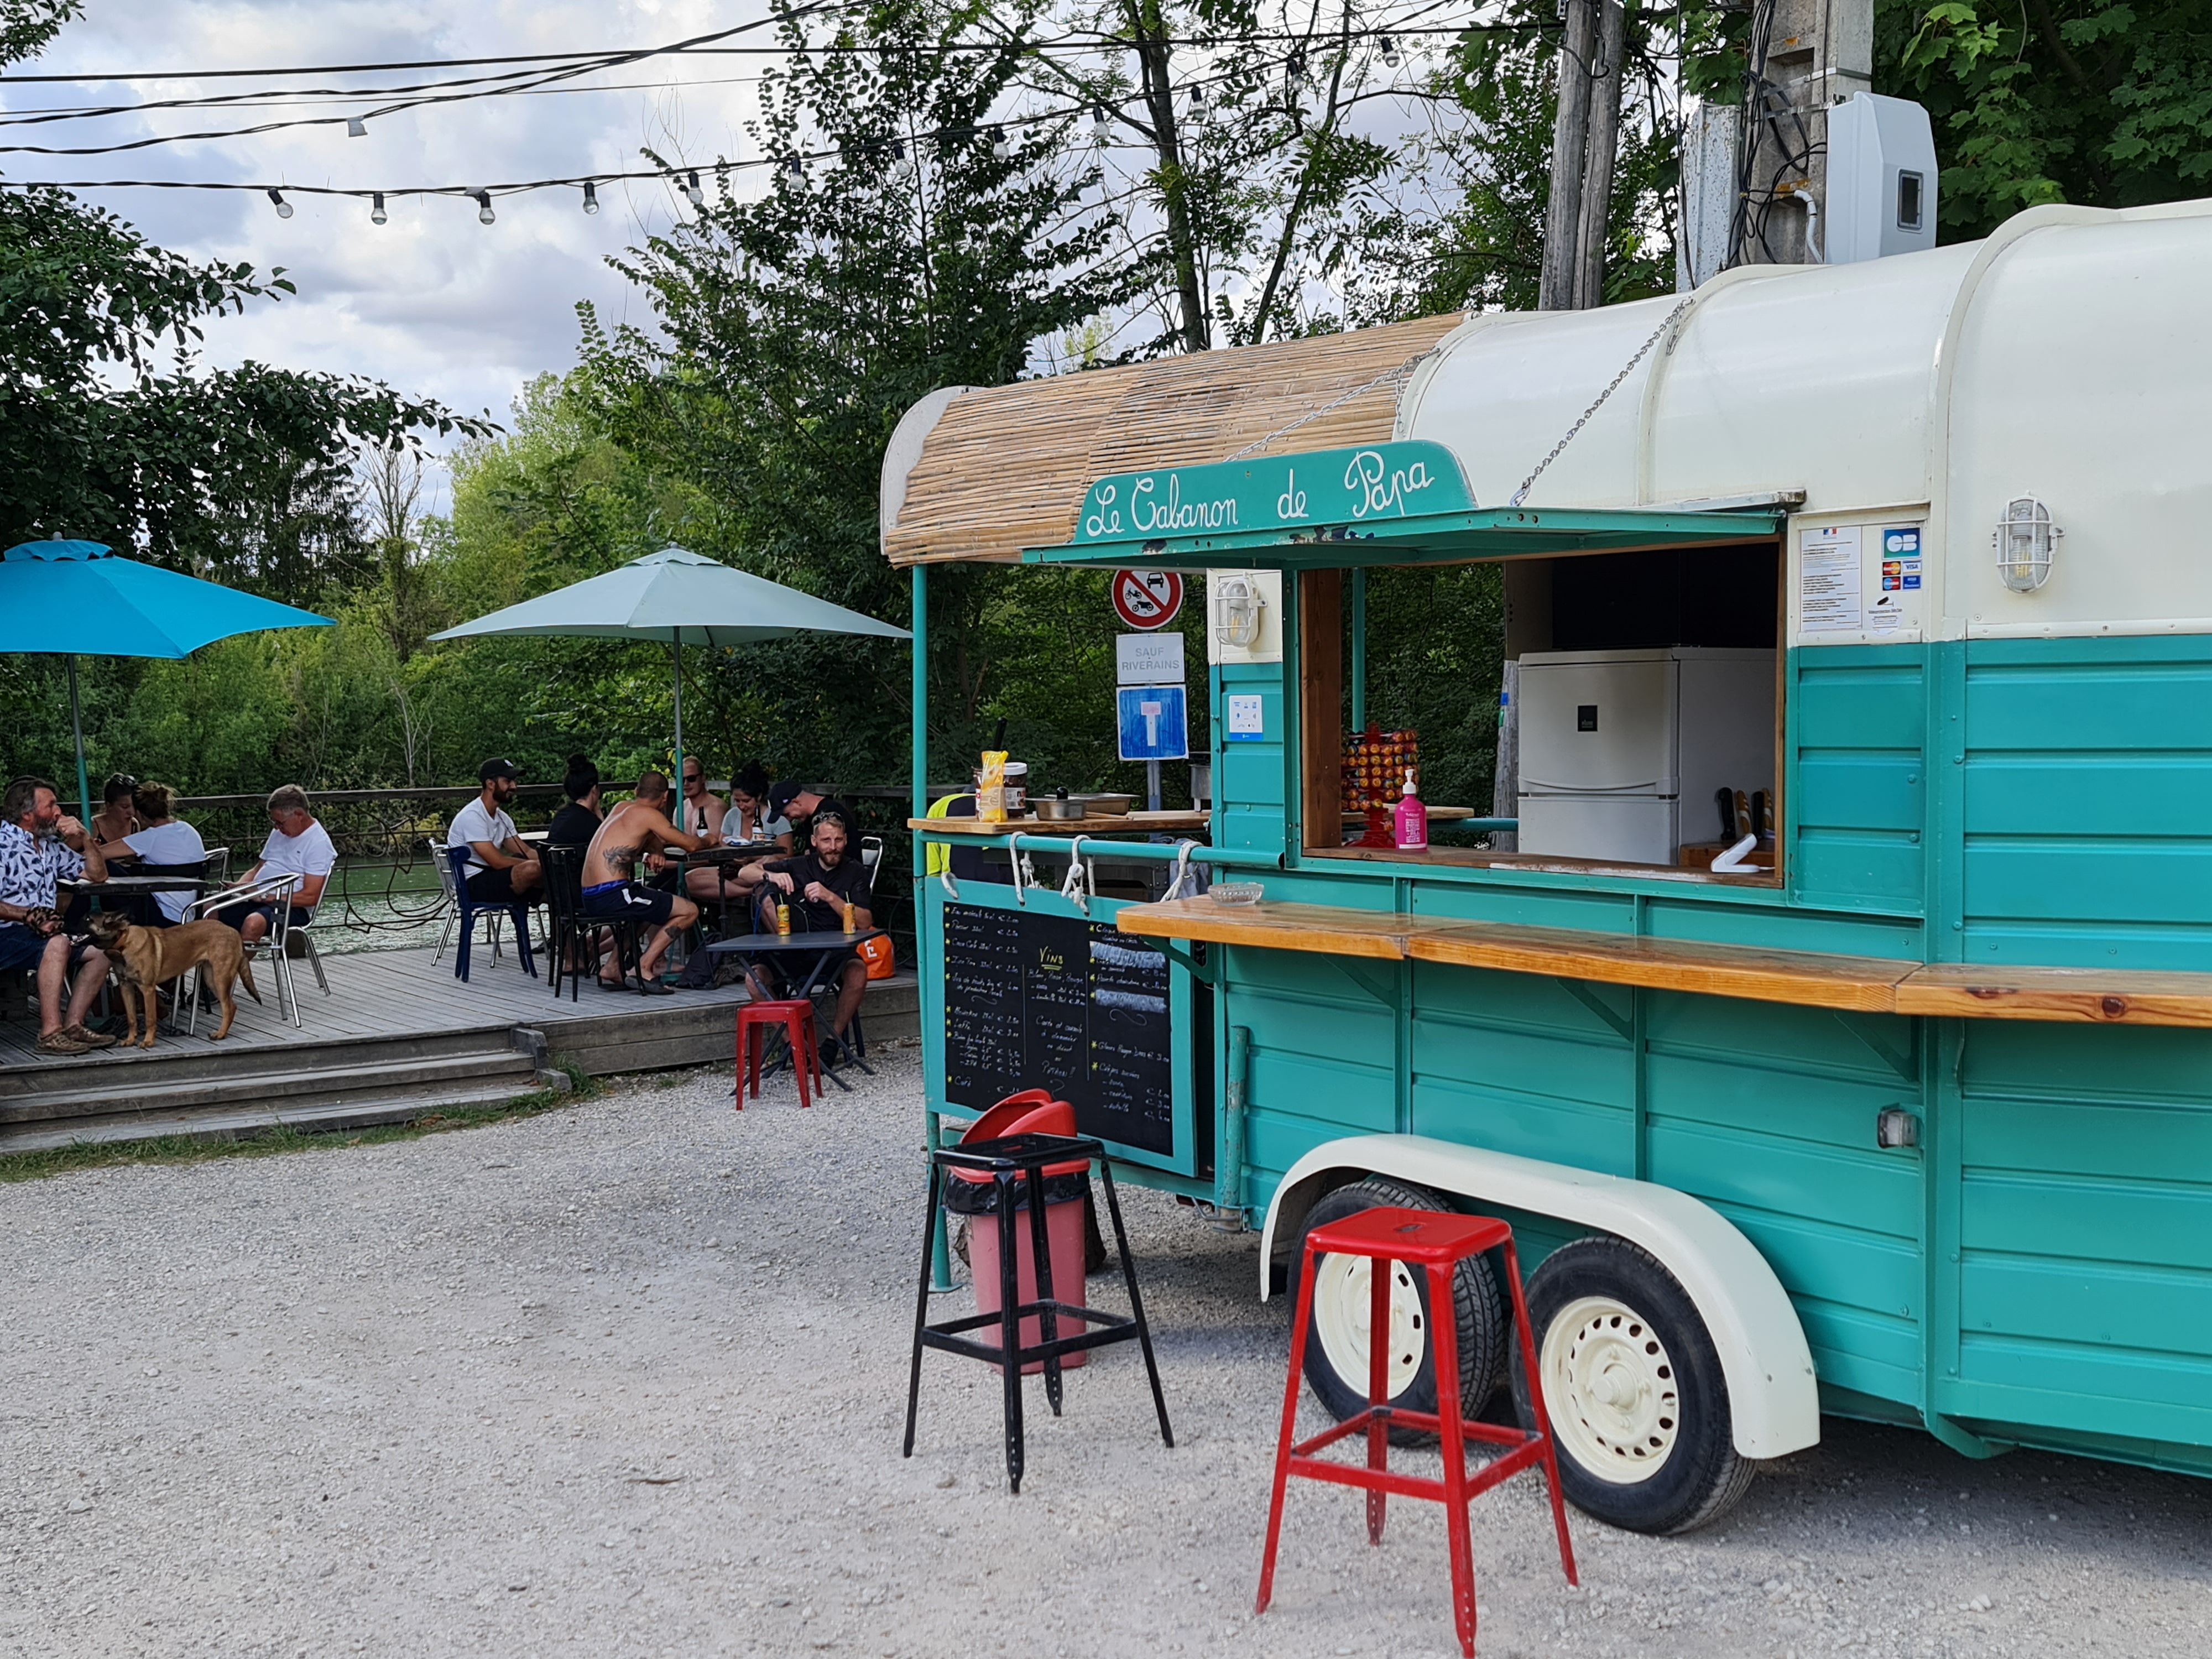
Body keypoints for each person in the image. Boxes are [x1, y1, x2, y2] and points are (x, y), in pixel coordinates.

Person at [0, 775, 116, 1056]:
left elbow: (98, 875)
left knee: (104, 952)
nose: (59, 811)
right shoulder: (2, 845)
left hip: (40, 934)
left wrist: (86, 838)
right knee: (58, 943)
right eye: (51, 805)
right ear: (27, 814)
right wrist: (28, 915)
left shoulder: (49, 846)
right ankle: (50, 1034)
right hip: (6, 931)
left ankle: (73, 1025)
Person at [748, 804, 874, 1053]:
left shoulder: (855, 872)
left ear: (846, 840)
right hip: (792, 952)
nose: (833, 847)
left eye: (838, 840)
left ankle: (833, 1042)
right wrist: (771, 877)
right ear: (814, 842)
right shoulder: (799, 865)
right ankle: (794, 1045)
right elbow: (745, 872)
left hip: (834, 954)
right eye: (826, 840)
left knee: (858, 971)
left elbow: (865, 922)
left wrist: (830, 897)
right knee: (754, 979)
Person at [578, 771, 707, 993]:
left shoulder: (621, 807)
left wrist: (657, 851)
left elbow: (650, 838)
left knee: (649, 908)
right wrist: (710, 839)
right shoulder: (649, 815)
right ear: (665, 797)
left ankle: (613, 967)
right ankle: (645, 966)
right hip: (613, 894)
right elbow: (691, 845)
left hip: (590, 895)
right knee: (689, 911)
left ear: (637, 791)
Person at [215, 784, 336, 944]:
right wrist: (240, 886)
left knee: (253, 923)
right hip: (259, 898)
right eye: (274, 822)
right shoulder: (279, 833)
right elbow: (257, 869)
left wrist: (266, 897)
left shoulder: (318, 844)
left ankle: (235, 961)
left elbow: (311, 897)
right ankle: (214, 958)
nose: (277, 828)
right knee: (208, 907)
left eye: (280, 823)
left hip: (292, 908)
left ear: (299, 815)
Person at [100, 781, 205, 926]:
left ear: (140, 814)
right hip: (189, 913)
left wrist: (86, 841)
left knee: (105, 866)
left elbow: (99, 854)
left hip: (160, 915)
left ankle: (91, 923)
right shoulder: (189, 829)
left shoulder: (149, 837)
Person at [448, 758, 544, 906]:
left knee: (556, 884)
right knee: (532, 870)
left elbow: (525, 851)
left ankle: (565, 912)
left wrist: (552, 862)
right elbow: (498, 862)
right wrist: (538, 866)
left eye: (514, 781)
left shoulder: (503, 818)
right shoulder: (472, 816)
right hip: (472, 885)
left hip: (493, 877)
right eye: (508, 781)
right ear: (490, 784)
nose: (514, 786)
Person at [683, 759, 775, 914]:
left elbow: (786, 855)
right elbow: (722, 845)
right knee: (689, 879)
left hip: (758, 870)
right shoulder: (732, 815)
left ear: (758, 797)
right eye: (737, 801)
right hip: (733, 869)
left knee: (762, 867)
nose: (741, 806)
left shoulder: (775, 818)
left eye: (746, 801)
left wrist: (753, 858)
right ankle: (747, 891)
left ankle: (742, 888)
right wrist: (734, 857)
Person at [545, 755, 603, 851]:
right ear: (594, 789)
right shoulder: (592, 823)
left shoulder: (560, 816)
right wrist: (599, 812)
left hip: (552, 860)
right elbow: (606, 845)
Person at [675, 757, 726, 841]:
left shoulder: (716, 808)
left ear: (703, 778)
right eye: (681, 779)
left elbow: (717, 844)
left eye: (691, 778)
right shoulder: (680, 809)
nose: (686, 784)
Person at [90, 773, 139, 847]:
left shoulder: (134, 825)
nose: (132, 812)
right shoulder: (93, 825)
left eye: (134, 806)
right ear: (109, 806)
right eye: (125, 807)